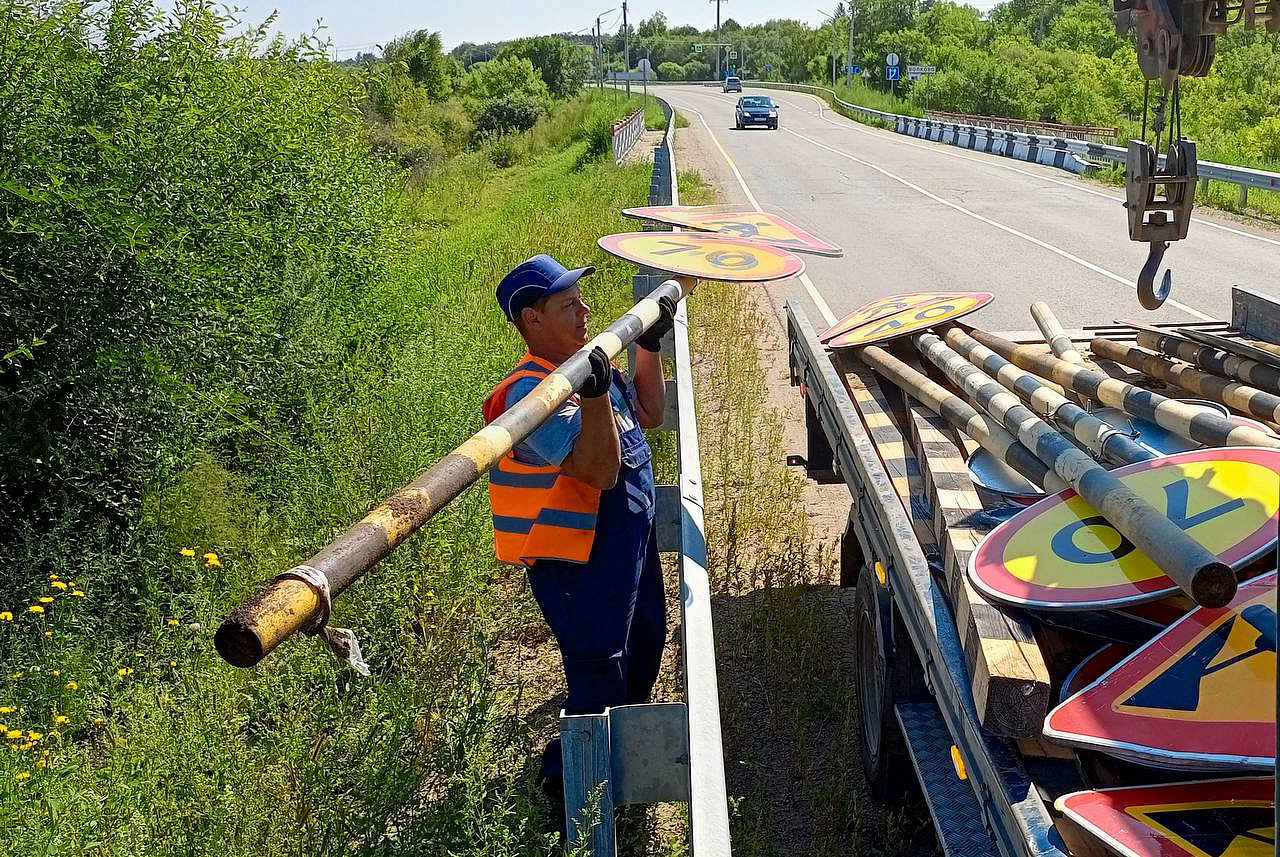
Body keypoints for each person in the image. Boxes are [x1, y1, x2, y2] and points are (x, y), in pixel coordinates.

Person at [481, 253, 679, 802]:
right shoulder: (530, 394)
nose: (585, 310)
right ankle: (574, 788)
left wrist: (648, 344)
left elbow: (650, 411)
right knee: (597, 671)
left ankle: (614, 770)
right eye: (569, 304)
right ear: (532, 320)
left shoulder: (588, 363)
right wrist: (590, 400)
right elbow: (599, 469)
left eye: (581, 299)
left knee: (643, 650)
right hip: (577, 560)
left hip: (626, 543)